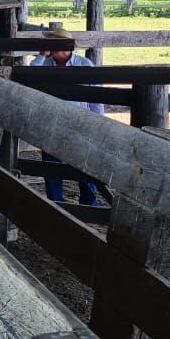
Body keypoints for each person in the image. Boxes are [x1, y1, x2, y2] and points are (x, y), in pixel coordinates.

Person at [32, 28, 103, 206]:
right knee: (51, 164)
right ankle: (56, 203)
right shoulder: (44, 64)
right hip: (52, 122)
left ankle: (89, 204)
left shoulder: (84, 64)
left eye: (53, 43)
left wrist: (97, 122)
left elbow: (96, 96)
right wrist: (42, 55)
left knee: (85, 165)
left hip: (81, 122)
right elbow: (31, 74)